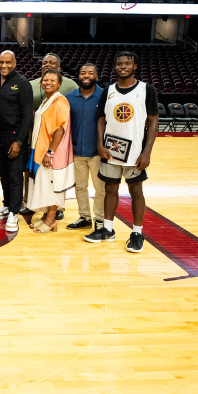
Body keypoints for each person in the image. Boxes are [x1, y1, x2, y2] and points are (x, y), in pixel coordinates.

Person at [84, 51, 159, 253]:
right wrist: (100, 144)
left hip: (135, 153)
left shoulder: (146, 90)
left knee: (136, 191)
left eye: (127, 64)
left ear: (135, 67)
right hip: (111, 151)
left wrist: (147, 152)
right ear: (115, 67)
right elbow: (101, 118)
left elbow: (153, 121)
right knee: (110, 189)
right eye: (119, 64)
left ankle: (137, 232)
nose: (123, 67)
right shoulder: (108, 90)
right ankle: (107, 229)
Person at [26, 53, 79, 220]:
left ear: (59, 83)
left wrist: (50, 152)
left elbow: (60, 130)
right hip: (40, 147)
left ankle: (50, 220)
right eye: (45, 81)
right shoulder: (46, 100)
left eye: (52, 81)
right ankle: (45, 215)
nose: (48, 83)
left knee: (53, 184)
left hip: (50, 151)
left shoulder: (60, 100)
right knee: (44, 184)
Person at [0, 50, 33, 233]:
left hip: (14, 137)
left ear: (14, 63)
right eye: (1, 62)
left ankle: (15, 211)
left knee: (15, 175)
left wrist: (19, 141)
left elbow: (26, 115)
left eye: (8, 62)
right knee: (3, 173)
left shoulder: (23, 83)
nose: (4, 66)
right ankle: (7, 204)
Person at [65, 63, 105, 231]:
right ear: (78, 76)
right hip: (76, 151)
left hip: (98, 152)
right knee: (80, 187)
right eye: (83, 73)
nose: (86, 76)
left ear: (96, 76)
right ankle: (84, 217)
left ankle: (100, 220)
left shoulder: (104, 96)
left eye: (90, 73)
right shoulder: (69, 97)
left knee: (100, 189)